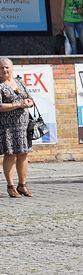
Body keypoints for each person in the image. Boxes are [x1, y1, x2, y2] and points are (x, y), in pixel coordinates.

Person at [0, 58, 35, 198]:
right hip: (8, 126)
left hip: (23, 125)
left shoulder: (19, 82)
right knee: (10, 154)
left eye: (6, 67)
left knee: (23, 153)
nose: (4, 70)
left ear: (12, 68)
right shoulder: (0, 86)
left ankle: (22, 185)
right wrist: (19, 104)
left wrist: (28, 102)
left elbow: (30, 99)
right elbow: (0, 106)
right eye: (1, 68)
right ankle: (10, 186)